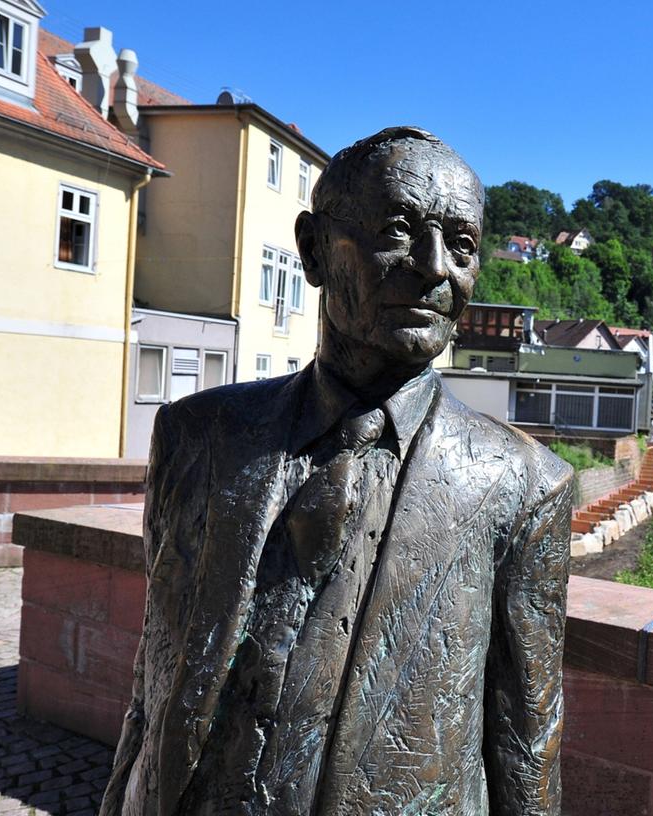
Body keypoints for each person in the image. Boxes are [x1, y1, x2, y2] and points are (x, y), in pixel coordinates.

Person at [101, 127, 573, 815]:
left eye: (462, 245)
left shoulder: (525, 486)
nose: (437, 267)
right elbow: (157, 667)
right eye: (397, 231)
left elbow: (528, 745)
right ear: (314, 250)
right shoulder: (197, 438)